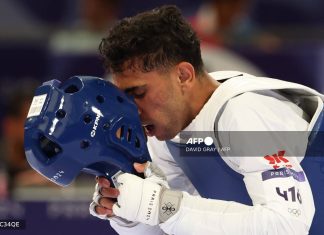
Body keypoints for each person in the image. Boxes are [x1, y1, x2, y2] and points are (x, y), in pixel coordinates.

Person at [89, 5, 323, 235]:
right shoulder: (165, 131)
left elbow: (287, 226)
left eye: (139, 93)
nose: (133, 110)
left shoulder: (243, 113)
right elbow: (185, 224)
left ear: (183, 75)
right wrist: (131, 212)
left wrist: (161, 205)